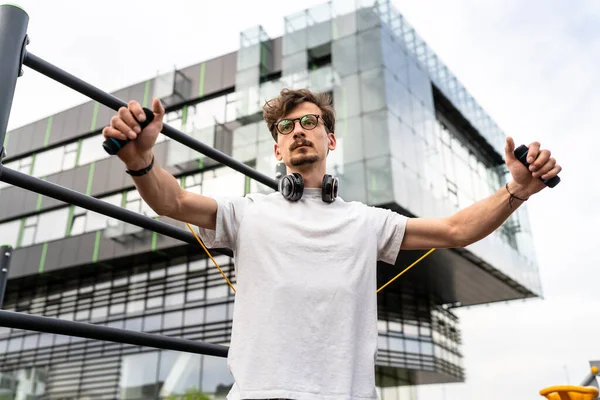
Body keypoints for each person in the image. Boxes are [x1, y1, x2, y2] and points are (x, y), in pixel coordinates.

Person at [103, 88, 561, 400]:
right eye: (286, 128)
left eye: (309, 122)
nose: (298, 130)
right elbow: (172, 199)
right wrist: (140, 160)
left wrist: (515, 190)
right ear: (277, 151)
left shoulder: (367, 221)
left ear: (330, 138)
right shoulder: (247, 211)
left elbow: (457, 230)